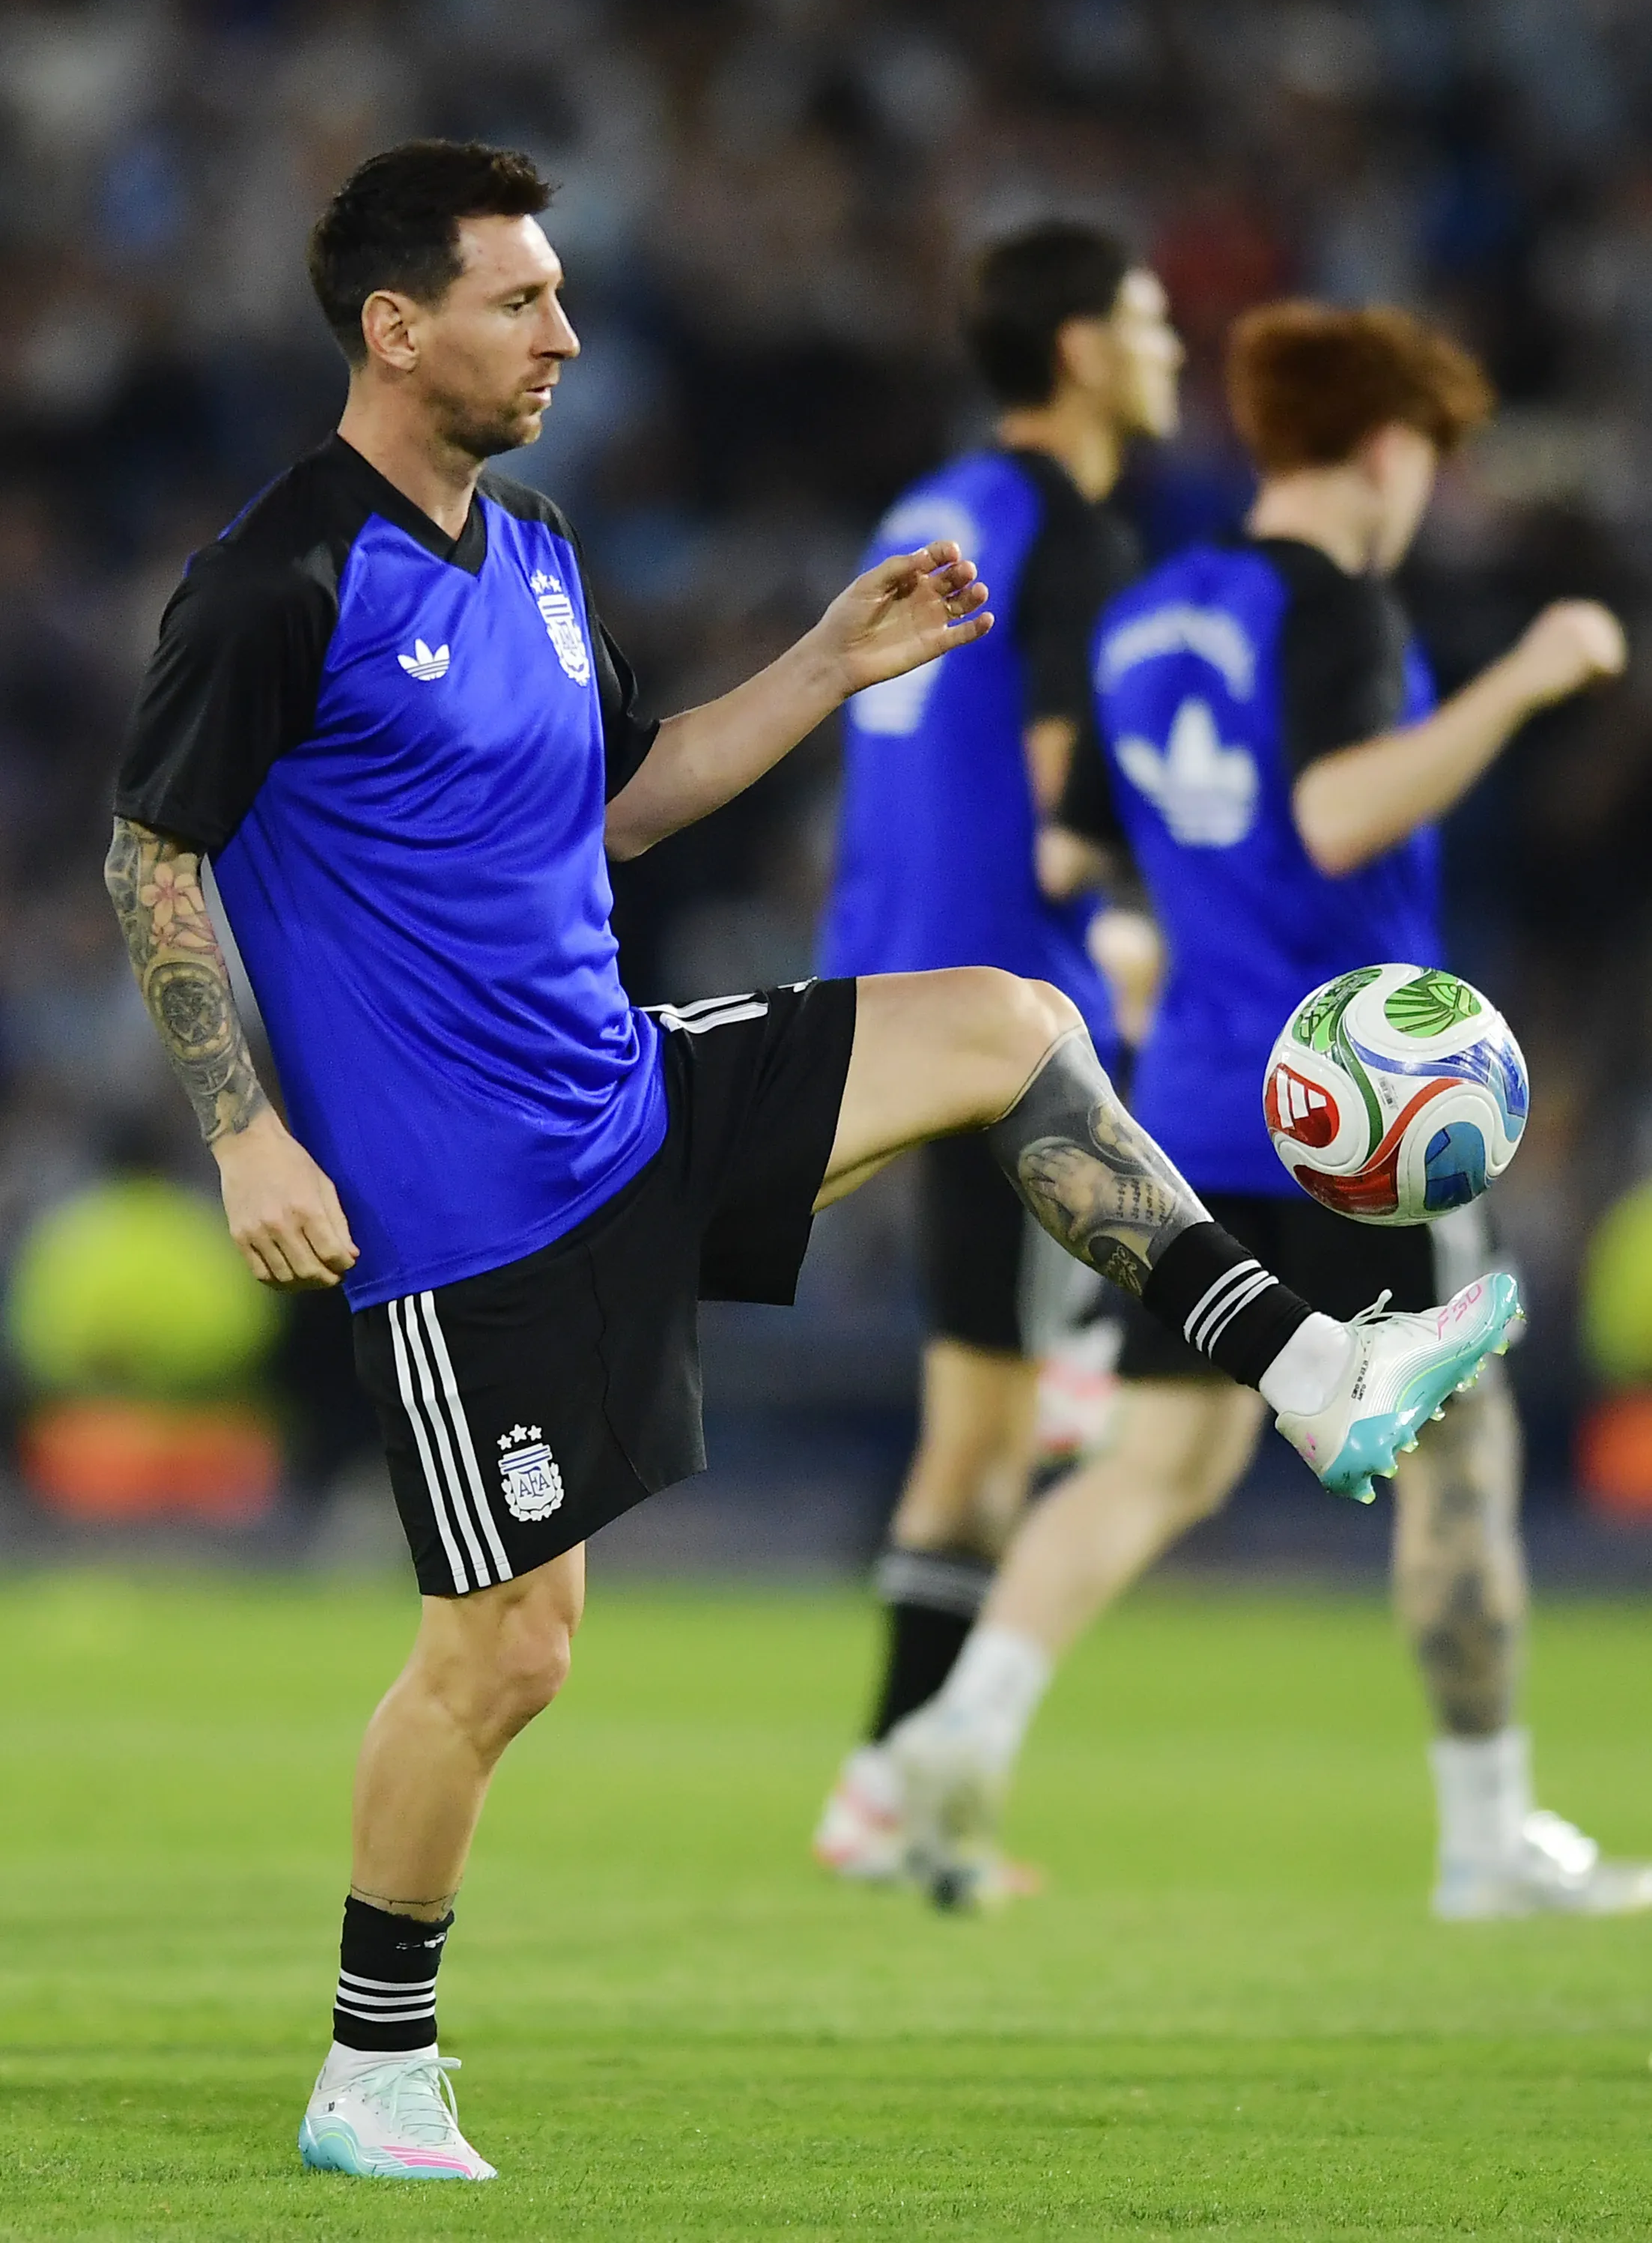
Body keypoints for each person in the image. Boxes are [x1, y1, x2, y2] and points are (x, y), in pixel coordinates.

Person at [106, 153, 1519, 2185]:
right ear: (394, 330)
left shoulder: (536, 550)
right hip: (460, 1209)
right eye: (518, 301)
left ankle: (1313, 1370)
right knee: (507, 1657)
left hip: (624, 1094)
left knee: (1008, 1024)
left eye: (559, 294)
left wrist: (826, 666)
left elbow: (625, 803)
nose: (564, 334)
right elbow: (150, 854)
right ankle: (371, 2066)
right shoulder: (277, 578)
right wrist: (246, 1134)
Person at [885, 301, 1649, 1922]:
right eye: (1428, 459)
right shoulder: (1336, 609)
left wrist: (1172, 960)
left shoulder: (1147, 615)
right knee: (1460, 1457)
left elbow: (1075, 858)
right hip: (1363, 1114)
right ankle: (1486, 1837)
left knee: (1159, 1457)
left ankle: (960, 1724)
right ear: (1387, 446)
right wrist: (1522, 681)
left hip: (1190, 1102)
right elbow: (1335, 815)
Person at [811, 223, 1179, 1891]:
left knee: (970, 1435)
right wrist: (1159, 926)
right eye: (1149, 322)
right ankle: (896, 1788)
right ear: (1081, 349)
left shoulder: (929, 505)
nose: (1171, 351)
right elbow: (1058, 827)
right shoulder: (1075, 536)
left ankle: (879, 1798)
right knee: (1045, 1421)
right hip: (1002, 1023)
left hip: (876, 990)